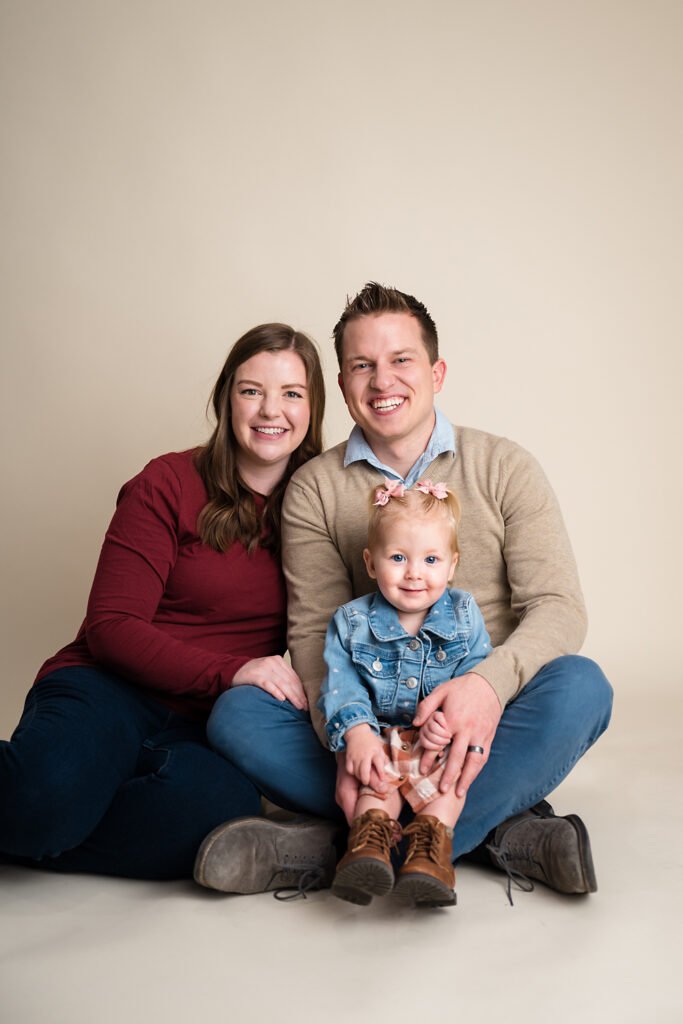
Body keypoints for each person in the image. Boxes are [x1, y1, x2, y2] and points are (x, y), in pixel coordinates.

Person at [202, 283, 613, 903]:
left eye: (401, 360)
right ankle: (494, 832)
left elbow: (558, 607)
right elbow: (315, 636)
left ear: (437, 371)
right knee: (238, 715)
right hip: (369, 719)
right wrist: (353, 733)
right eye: (362, 365)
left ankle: (339, 844)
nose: (381, 380)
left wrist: (486, 688)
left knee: (582, 687)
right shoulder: (315, 487)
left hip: (482, 721)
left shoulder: (504, 466)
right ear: (341, 385)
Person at [0, 322, 334, 885]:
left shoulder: (320, 509)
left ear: (313, 408)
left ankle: (44, 827)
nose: (269, 410)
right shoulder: (169, 482)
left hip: (201, 726)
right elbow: (110, 626)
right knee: (42, 800)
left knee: (216, 816)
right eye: (252, 390)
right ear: (227, 398)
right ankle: (38, 819)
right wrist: (234, 670)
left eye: (291, 394)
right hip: (106, 690)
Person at [323, 480, 491, 908]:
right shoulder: (351, 622)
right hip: (380, 738)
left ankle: (428, 856)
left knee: (449, 787)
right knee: (375, 786)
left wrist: (450, 723)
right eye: (398, 558)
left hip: (439, 747)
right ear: (372, 563)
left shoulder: (464, 614)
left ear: (452, 565)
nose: (415, 573)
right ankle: (367, 850)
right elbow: (341, 682)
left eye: (431, 559)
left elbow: (477, 677)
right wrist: (357, 732)